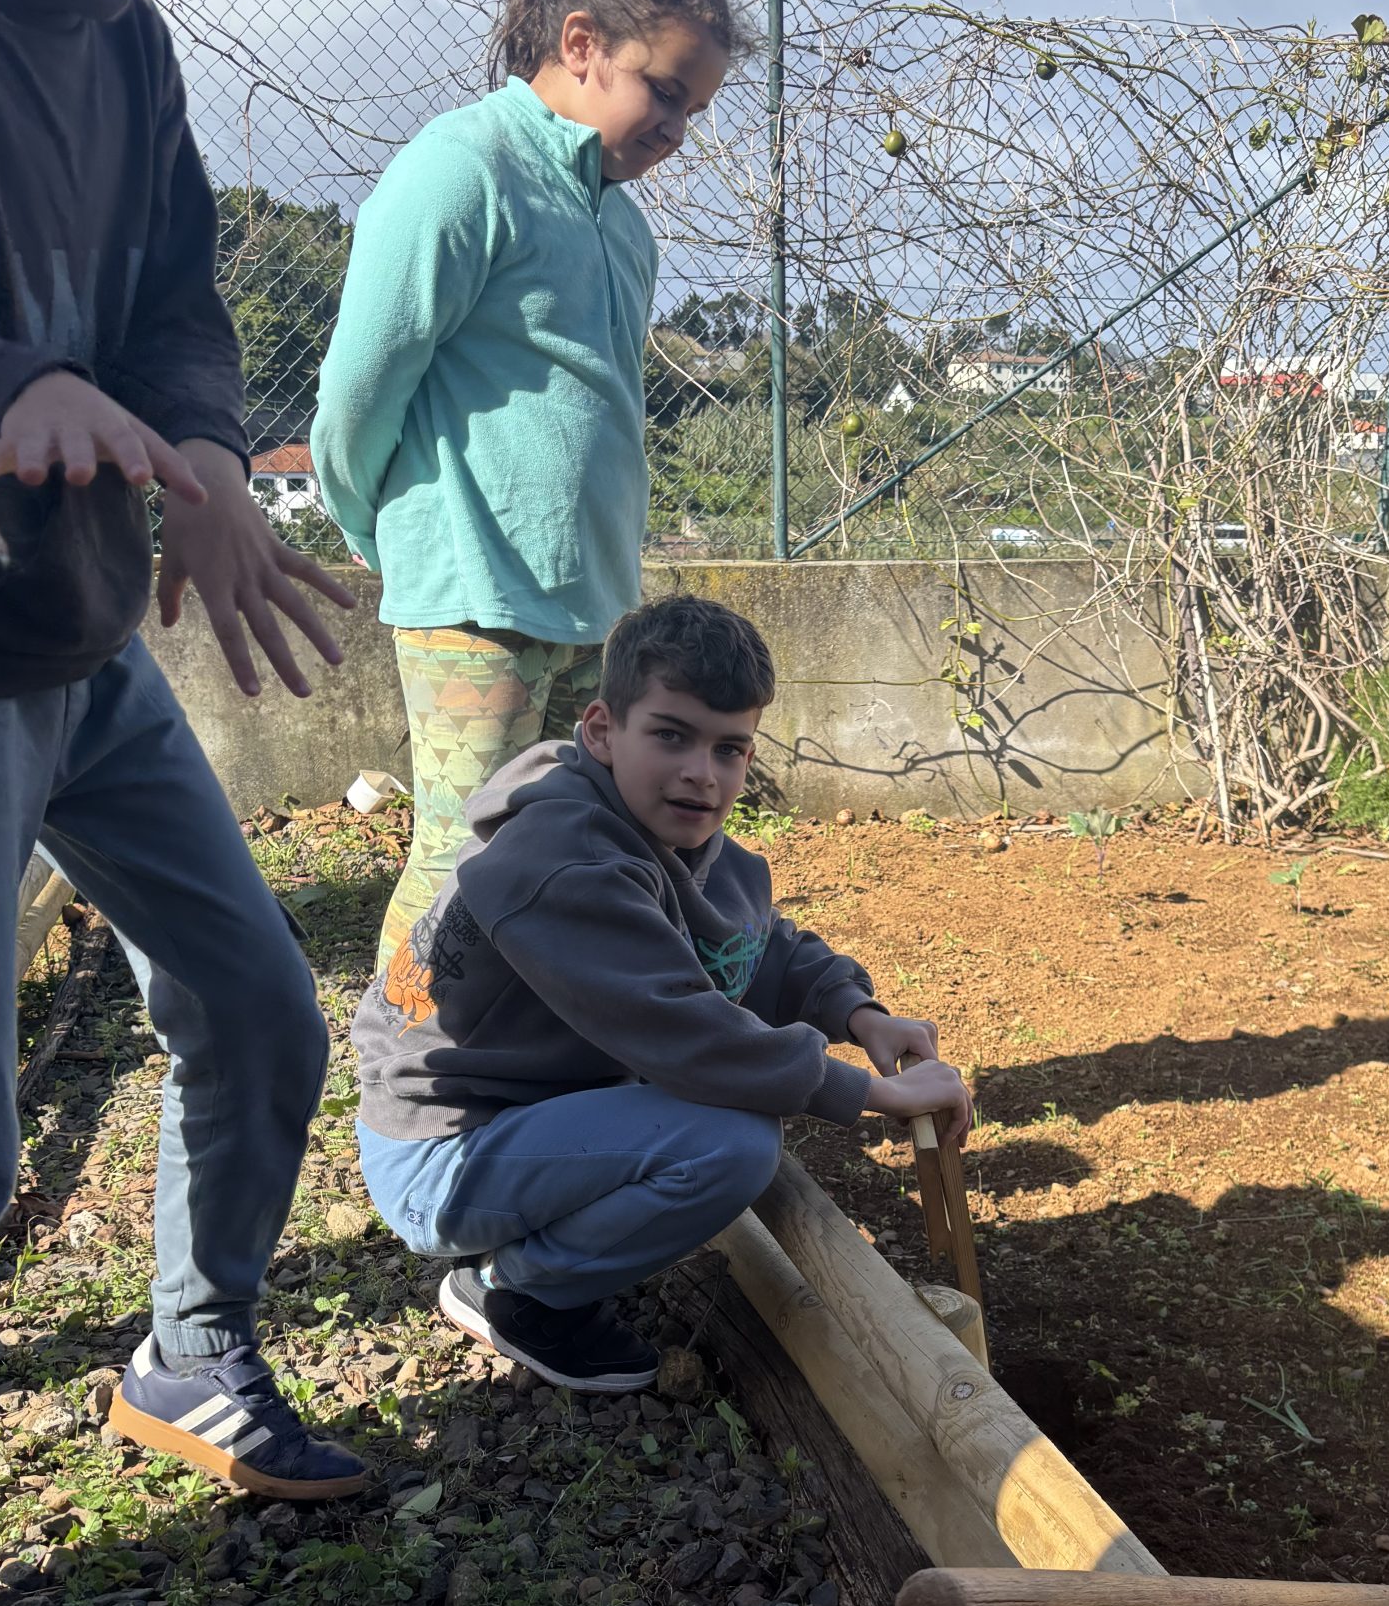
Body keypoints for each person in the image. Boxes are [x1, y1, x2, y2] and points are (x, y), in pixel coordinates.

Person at [0, 0, 373, 1606]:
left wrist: (191, 445)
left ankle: (190, 1354)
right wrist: (9, 382)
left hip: (81, 637)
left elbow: (178, 302)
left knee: (258, 1009)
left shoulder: (125, 45)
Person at [353, 596, 972, 1392]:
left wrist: (858, 1013)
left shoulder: (662, 832)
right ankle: (518, 1292)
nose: (701, 773)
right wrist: (871, 1095)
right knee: (730, 1144)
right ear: (601, 730)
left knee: (717, 1123)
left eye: (728, 748)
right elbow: (686, 1034)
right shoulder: (564, 858)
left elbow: (750, 942)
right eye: (671, 736)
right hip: (440, 1153)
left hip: (515, 1117)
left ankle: (537, 1243)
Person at [312, 0, 738, 976]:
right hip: (472, 593)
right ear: (582, 42)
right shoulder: (463, 168)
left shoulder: (623, 224)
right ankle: (405, 1069)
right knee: (464, 863)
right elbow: (361, 387)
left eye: (693, 109)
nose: (676, 129)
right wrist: (376, 527)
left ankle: (524, 1059)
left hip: (589, 599)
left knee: (565, 857)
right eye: (665, 91)